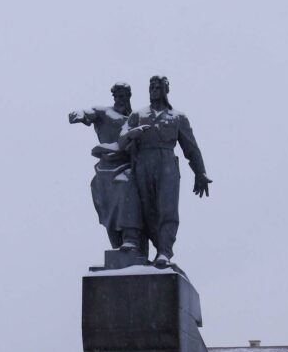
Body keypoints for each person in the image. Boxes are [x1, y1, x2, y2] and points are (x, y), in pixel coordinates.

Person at [118, 76, 212, 268]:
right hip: (143, 162)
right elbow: (122, 139)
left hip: (166, 164)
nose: (154, 90)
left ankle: (164, 251)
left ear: (165, 90)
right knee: (144, 209)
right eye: (151, 87)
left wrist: (200, 172)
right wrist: (132, 133)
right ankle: (138, 244)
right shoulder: (138, 115)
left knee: (166, 209)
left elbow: (191, 148)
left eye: (158, 87)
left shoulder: (177, 117)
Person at [68, 83, 143, 252]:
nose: (121, 99)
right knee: (107, 209)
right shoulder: (104, 113)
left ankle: (130, 238)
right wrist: (78, 115)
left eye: (124, 96)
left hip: (127, 166)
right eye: (118, 96)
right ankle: (117, 244)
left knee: (127, 190)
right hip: (106, 167)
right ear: (114, 97)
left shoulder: (134, 119)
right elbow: (88, 114)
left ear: (129, 97)